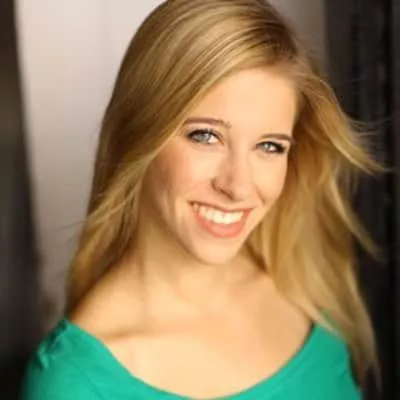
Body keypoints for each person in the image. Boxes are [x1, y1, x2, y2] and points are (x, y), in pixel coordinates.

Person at [21, 0, 381, 398]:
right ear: (137, 133)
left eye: (270, 146)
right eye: (206, 136)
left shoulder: (302, 283)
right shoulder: (73, 383)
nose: (238, 186)